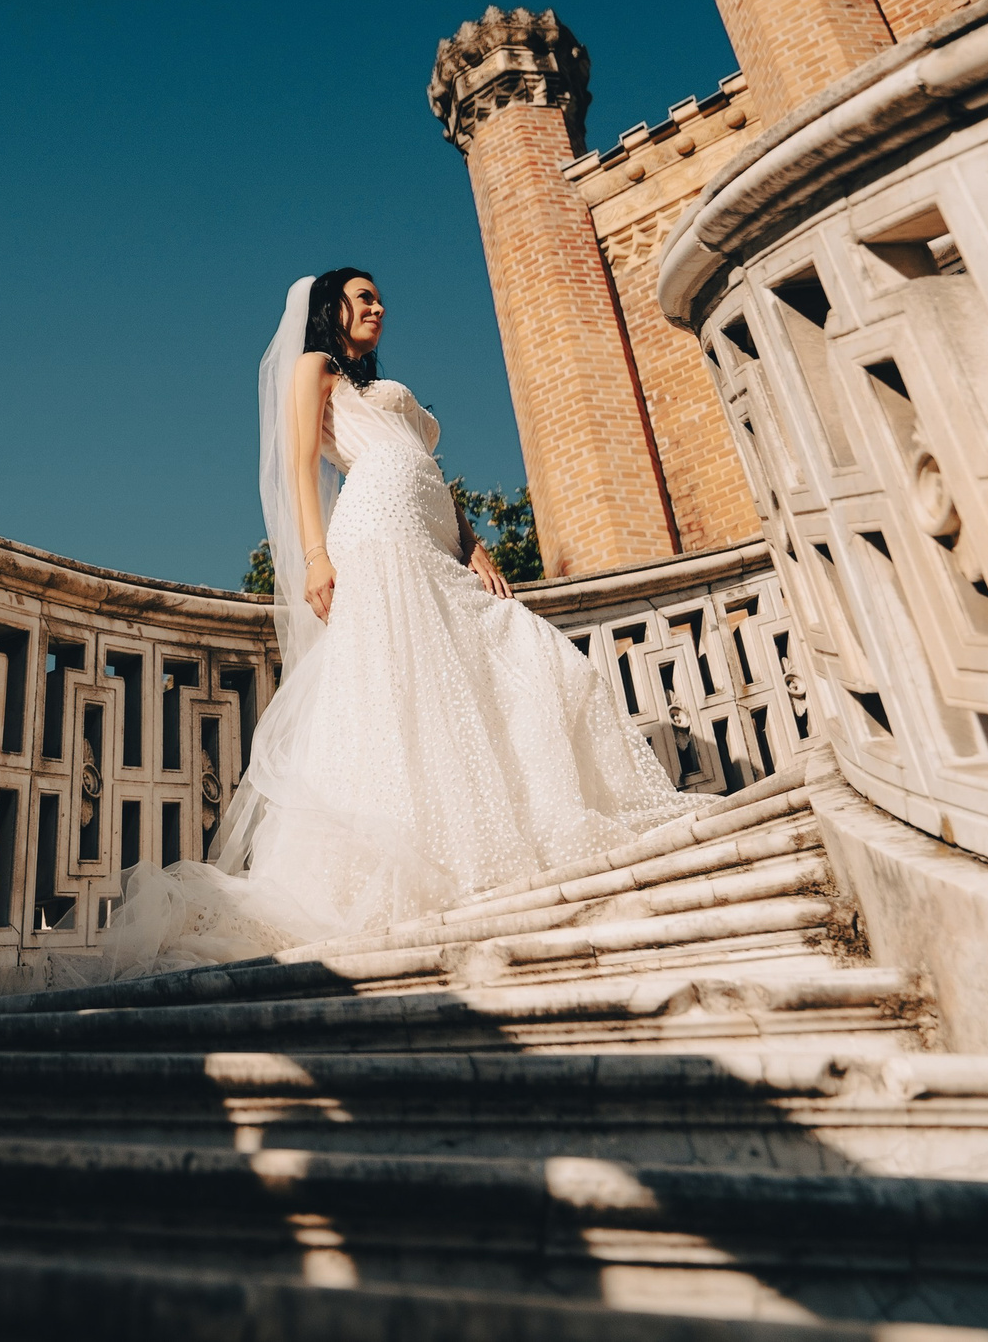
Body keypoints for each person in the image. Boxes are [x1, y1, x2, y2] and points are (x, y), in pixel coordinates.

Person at [99, 269, 707, 972]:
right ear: (332, 309)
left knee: (505, 652)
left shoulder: (379, 388)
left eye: (381, 297)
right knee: (405, 681)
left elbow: (429, 469)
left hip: (428, 530)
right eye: (363, 297)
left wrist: (474, 543)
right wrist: (314, 555)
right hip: (375, 531)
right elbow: (300, 466)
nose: (379, 306)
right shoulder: (314, 366)